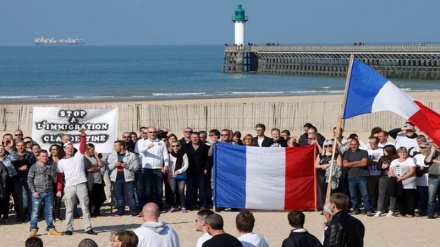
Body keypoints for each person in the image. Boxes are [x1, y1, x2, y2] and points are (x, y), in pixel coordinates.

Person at [56, 128, 97, 235]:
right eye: (67, 148)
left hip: (81, 184)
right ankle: (69, 229)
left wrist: (83, 135)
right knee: (69, 209)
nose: (69, 149)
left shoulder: (79, 156)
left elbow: (83, 146)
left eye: (71, 147)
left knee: (85, 207)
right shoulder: (61, 162)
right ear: (64, 149)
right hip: (69, 186)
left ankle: (88, 228)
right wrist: (59, 190)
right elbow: (60, 178)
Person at [27, 149, 63, 237]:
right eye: (42, 156)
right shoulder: (33, 167)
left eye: (46, 156)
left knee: (49, 211)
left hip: (48, 192)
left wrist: (52, 170)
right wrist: (33, 191)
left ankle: (50, 228)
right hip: (37, 193)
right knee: (35, 211)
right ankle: (33, 229)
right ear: (38, 157)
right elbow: (29, 180)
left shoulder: (50, 167)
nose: (45, 158)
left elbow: (55, 179)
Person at [135, 126, 169, 211]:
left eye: (154, 132)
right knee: (147, 190)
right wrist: (147, 147)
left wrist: (166, 165)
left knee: (159, 190)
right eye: (150, 132)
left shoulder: (161, 142)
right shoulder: (141, 142)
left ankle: (158, 207)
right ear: (147, 133)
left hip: (158, 169)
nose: (152, 134)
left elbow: (165, 154)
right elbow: (138, 151)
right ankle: (148, 207)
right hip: (146, 168)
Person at [108, 140, 140, 216]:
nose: (114, 147)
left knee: (130, 196)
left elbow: (136, 167)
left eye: (116, 146)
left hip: (128, 178)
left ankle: (134, 212)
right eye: (114, 146)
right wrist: (114, 165)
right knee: (119, 197)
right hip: (116, 179)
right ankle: (120, 212)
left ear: (121, 146)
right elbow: (108, 167)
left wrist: (126, 166)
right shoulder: (111, 155)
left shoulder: (131, 155)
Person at [342, 139, 373, 215]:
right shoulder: (347, 153)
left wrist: (351, 164)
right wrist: (358, 162)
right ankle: (356, 209)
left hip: (362, 176)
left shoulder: (363, 152)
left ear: (358, 144)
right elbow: (345, 164)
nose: (353, 146)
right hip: (351, 177)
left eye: (355, 144)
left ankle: (368, 210)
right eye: (352, 144)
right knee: (353, 195)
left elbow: (364, 163)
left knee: (365, 194)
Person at [388, 147, 417, 217]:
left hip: (409, 181)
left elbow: (412, 171)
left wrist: (403, 178)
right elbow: (390, 171)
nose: (402, 154)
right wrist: (392, 177)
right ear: (398, 153)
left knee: (410, 197)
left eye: (404, 152)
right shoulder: (394, 161)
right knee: (400, 197)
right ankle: (402, 212)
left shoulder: (410, 160)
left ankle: (410, 213)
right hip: (397, 181)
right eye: (401, 152)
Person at [186, 132, 210, 210]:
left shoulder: (205, 147)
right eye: (193, 137)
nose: (195, 139)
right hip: (190, 171)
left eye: (196, 137)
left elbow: (209, 159)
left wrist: (206, 168)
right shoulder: (185, 147)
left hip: (201, 171)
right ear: (190, 138)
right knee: (190, 189)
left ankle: (203, 204)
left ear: (199, 138)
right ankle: (191, 204)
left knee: (202, 189)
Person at [315, 139, 342, 210]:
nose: (328, 147)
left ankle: (333, 208)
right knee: (323, 192)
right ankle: (325, 208)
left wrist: (330, 165)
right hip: (322, 175)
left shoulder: (337, 155)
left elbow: (339, 165)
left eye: (330, 145)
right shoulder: (320, 155)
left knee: (333, 192)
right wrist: (322, 166)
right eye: (326, 146)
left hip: (332, 176)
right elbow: (316, 165)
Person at [375, 145, 398, 217]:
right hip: (383, 177)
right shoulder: (382, 158)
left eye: (385, 151)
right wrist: (381, 167)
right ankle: (379, 210)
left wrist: (389, 166)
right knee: (381, 194)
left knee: (392, 194)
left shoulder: (396, 158)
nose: (384, 152)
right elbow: (378, 167)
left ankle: (391, 210)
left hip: (393, 177)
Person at [84, 143, 105, 217]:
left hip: (98, 180)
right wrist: (98, 168)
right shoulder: (84, 158)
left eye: (94, 150)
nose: (93, 151)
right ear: (87, 150)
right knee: (90, 197)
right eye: (92, 150)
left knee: (101, 197)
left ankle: (97, 211)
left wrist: (97, 156)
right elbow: (90, 169)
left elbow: (102, 164)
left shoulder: (94, 157)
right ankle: (90, 212)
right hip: (90, 180)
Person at [167, 141, 189, 213]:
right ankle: (172, 206)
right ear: (171, 147)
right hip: (171, 175)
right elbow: (167, 165)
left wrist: (179, 171)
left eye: (177, 145)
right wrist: (172, 172)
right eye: (173, 146)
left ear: (180, 146)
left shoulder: (183, 154)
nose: (175, 147)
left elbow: (186, 165)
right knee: (172, 191)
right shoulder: (169, 155)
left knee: (181, 190)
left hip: (181, 175)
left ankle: (183, 206)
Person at [424, 140, 440, 219]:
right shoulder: (430, 151)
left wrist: (433, 160)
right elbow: (426, 162)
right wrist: (431, 153)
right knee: (431, 196)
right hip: (433, 176)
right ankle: (431, 213)